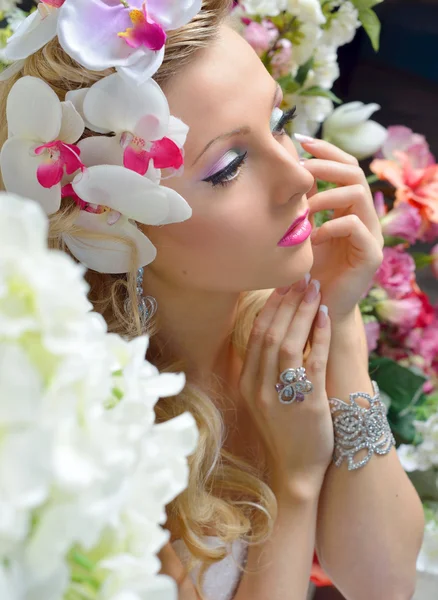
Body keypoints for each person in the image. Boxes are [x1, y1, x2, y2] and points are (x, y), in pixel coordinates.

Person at [0, 1, 424, 599]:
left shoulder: (279, 323)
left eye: (280, 120)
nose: (300, 178)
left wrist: (341, 317)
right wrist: (293, 478)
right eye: (229, 166)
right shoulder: (102, 429)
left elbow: (384, 584)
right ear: (105, 225)